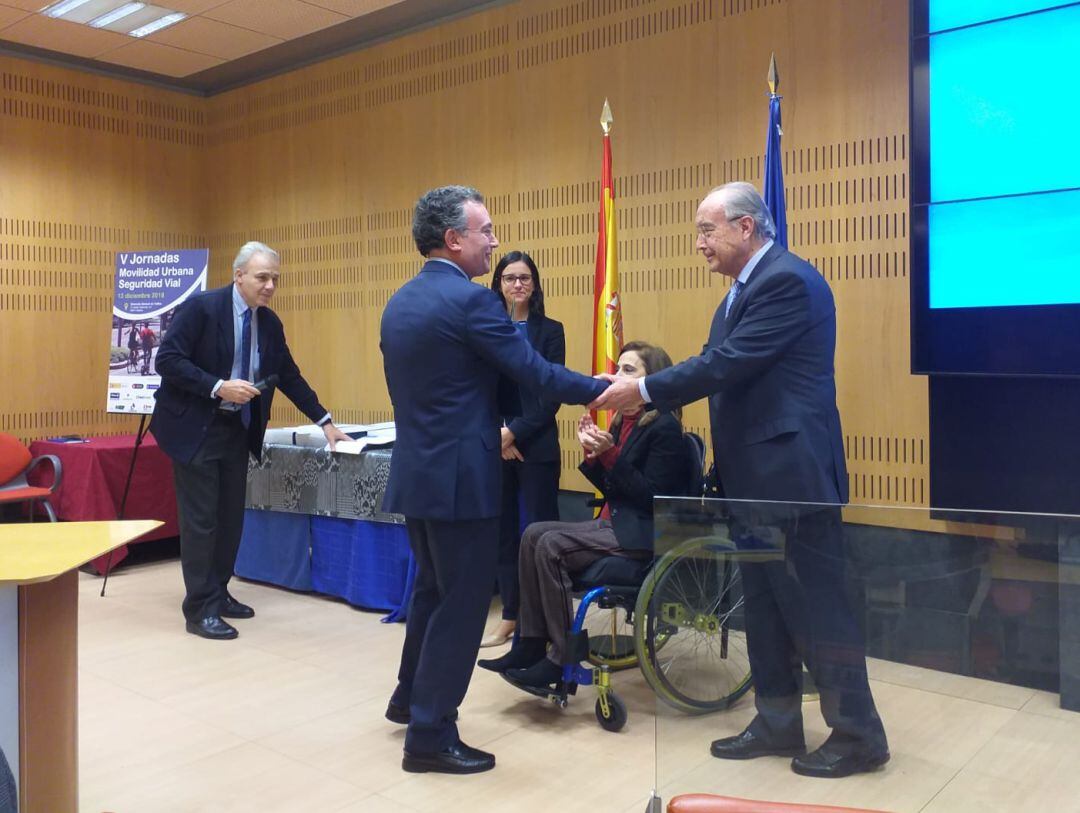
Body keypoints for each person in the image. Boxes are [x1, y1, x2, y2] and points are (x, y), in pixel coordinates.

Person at [592, 182, 889, 779]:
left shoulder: (785, 281)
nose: (698, 242)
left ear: (746, 227)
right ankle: (778, 721)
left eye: (707, 229)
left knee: (816, 609)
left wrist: (644, 389)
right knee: (766, 609)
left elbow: (725, 366)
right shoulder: (736, 295)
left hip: (792, 481)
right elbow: (719, 371)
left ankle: (859, 735)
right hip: (753, 483)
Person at [380, 185, 607, 775]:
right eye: (486, 231)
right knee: (462, 605)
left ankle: (410, 698)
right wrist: (606, 389)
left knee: (432, 590)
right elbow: (535, 374)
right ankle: (429, 736)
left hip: (419, 474)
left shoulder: (400, 301)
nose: (495, 242)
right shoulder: (472, 303)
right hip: (463, 480)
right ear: (454, 240)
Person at [151, 241, 350, 641]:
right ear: (238, 275)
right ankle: (199, 609)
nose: (270, 285)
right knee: (202, 522)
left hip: (237, 430)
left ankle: (219, 592)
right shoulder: (203, 308)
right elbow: (167, 361)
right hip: (194, 428)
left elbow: (289, 375)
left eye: (275, 278)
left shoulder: (269, 323)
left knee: (229, 520)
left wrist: (325, 421)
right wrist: (217, 386)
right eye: (262, 277)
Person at [479, 341, 688, 687]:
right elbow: (615, 487)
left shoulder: (664, 428)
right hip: (615, 522)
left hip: (642, 533)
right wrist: (594, 456)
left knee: (549, 545)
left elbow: (651, 498)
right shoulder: (626, 421)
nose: (617, 376)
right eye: (618, 368)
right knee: (532, 534)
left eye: (628, 370)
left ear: (651, 381)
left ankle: (562, 659)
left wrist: (609, 457)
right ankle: (531, 643)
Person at [481, 251, 565, 649]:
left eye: (525, 278)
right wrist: (499, 435)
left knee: (543, 534)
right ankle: (510, 617)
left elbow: (551, 393)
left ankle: (547, 622)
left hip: (537, 445)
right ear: (498, 284)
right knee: (503, 535)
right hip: (496, 445)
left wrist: (514, 432)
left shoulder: (551, 331)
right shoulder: (487, 330)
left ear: (535, 283)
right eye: (510, 278)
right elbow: (480, 389)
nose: (518, 284)